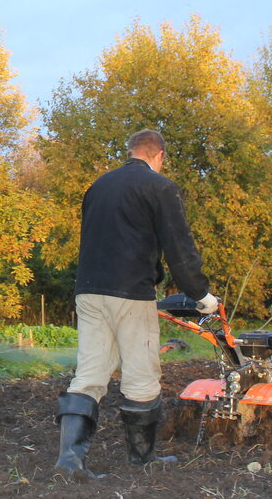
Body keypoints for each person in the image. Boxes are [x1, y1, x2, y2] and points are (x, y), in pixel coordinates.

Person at [55, 128, 218, 478]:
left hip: (88, 290)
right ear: (158, 155)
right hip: (130, 292)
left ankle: (69, 461)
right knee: (142, 375)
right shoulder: (161, 187)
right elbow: (179, 248)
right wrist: (200, 295)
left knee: (90, 373)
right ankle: (142, 459)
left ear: (130, 151)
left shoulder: (98, 186)